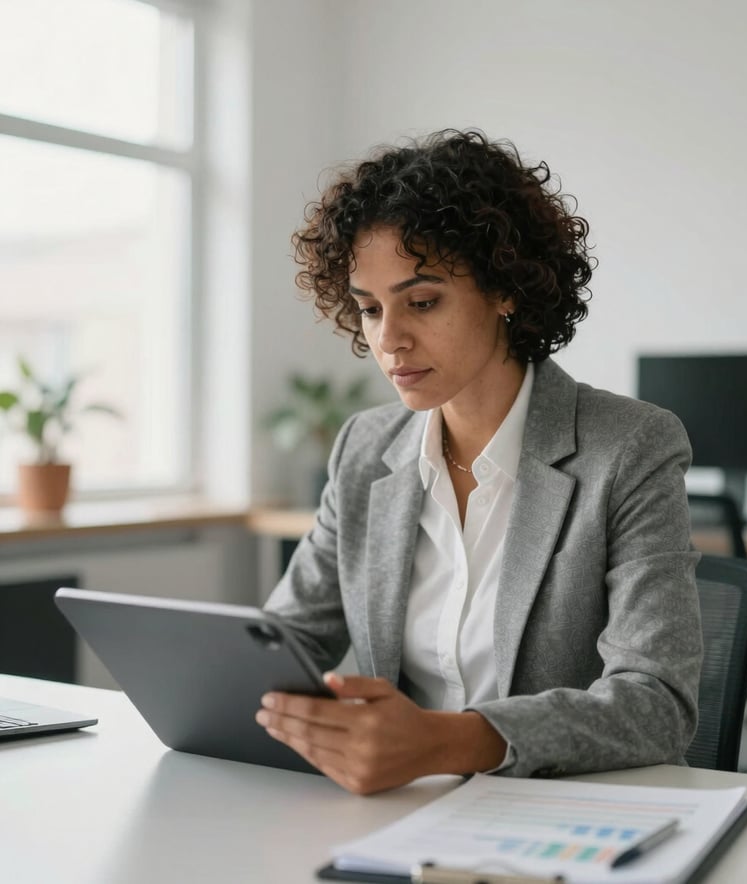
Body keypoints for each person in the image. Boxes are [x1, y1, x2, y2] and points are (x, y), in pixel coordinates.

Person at [256, 129, 703, 795]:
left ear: (506, 290)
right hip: (403, 813)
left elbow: (656, 704)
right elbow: (281, 643)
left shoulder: (629, 447)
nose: (388, 339)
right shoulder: (364, 449)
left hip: (570, 816)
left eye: (423, 301)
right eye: (370, 308)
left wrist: (444, 741)